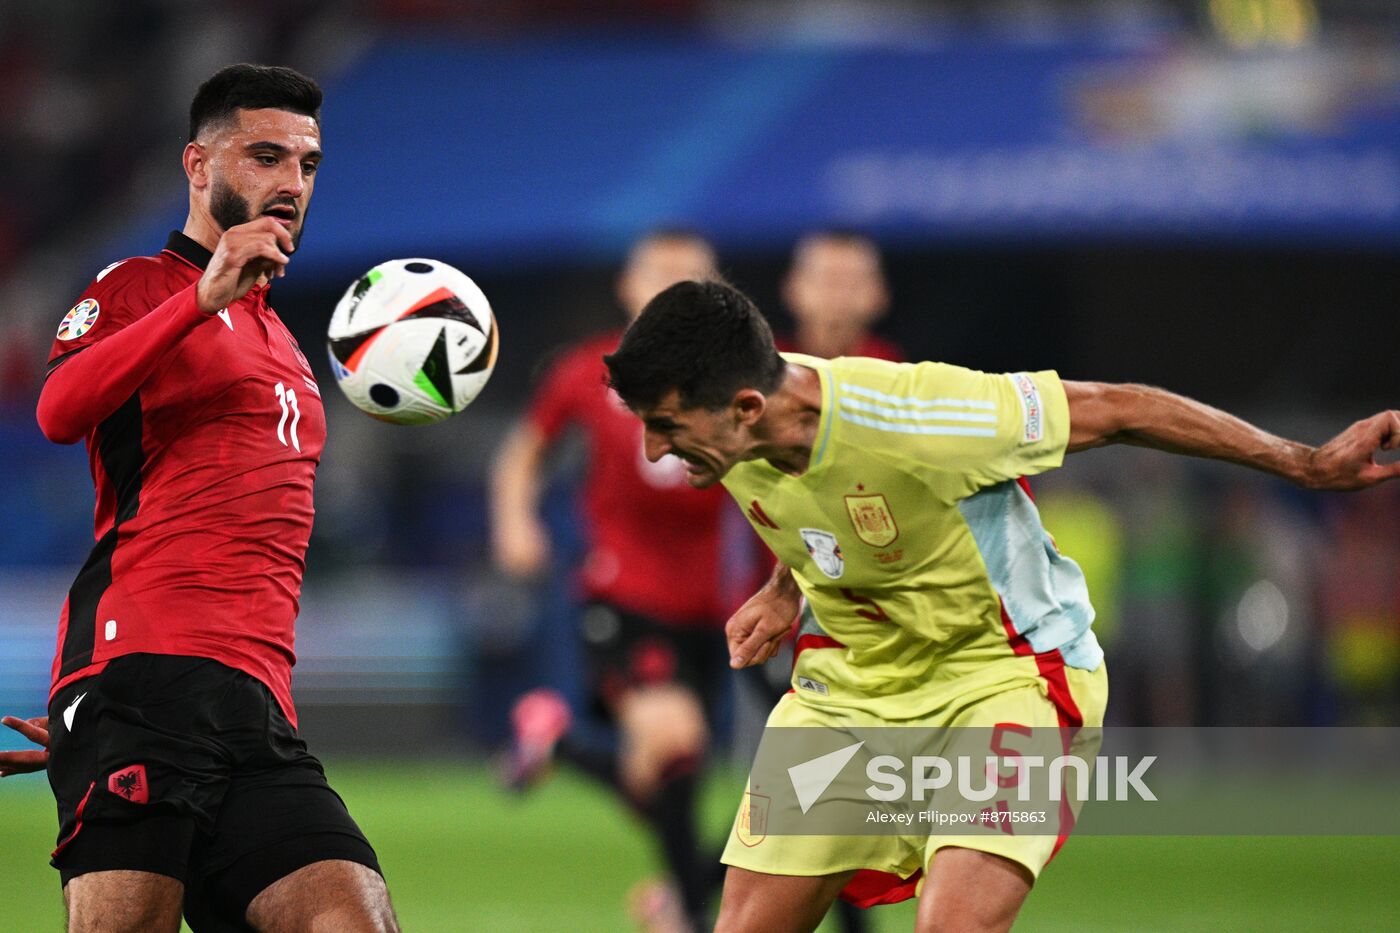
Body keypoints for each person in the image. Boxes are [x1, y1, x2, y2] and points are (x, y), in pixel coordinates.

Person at [601, 279, 1400, 933]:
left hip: (1008, 674)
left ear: (744, 407)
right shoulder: (741, 424)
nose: (653, 451)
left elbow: (1120, 408)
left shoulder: (917, 414)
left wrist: (1302, 462)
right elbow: (820, 501)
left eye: (665, 427)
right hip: (854, 688)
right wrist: (788, 587)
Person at [0, 64, 398, 933]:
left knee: (353, 919)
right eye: (264, 156)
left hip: (257, 704)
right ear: (197, 165)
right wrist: (102, 701)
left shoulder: (284, 341)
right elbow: (57, 410)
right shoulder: (139, 286)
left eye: (307, 164)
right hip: (143, 677)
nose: (290, 183)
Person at [489, 230, 737, 932]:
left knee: (659, 778)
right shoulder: (585, 370)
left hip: (709, 608)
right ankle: (687, 909)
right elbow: (524, 450)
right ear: (628, 287)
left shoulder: (736, 382)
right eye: (658, 271)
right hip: (620, 593)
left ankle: (558, 742)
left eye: (689, 274)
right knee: (675, 741)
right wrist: (515, 521)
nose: (670, 284)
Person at [777, 230, 901, 362]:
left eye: (853, 281)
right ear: (792, 288)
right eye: (827, 279)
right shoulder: (765, 364)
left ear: (880, 292)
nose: (840, 293)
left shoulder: (900, 371)